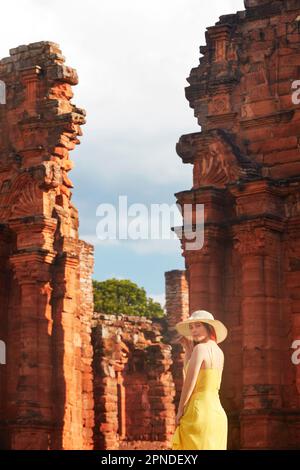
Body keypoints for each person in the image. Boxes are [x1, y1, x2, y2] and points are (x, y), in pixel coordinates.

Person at [170, 309, 228, 450]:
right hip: (217, 414)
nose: (193, 330)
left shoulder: (200, 349)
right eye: (191, 327)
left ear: (208, 327)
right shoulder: (220, 352)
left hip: (198, 411)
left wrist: (179, 412)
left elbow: (189, 385)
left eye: (198, 326)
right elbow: (199, 375)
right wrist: (188, 350)